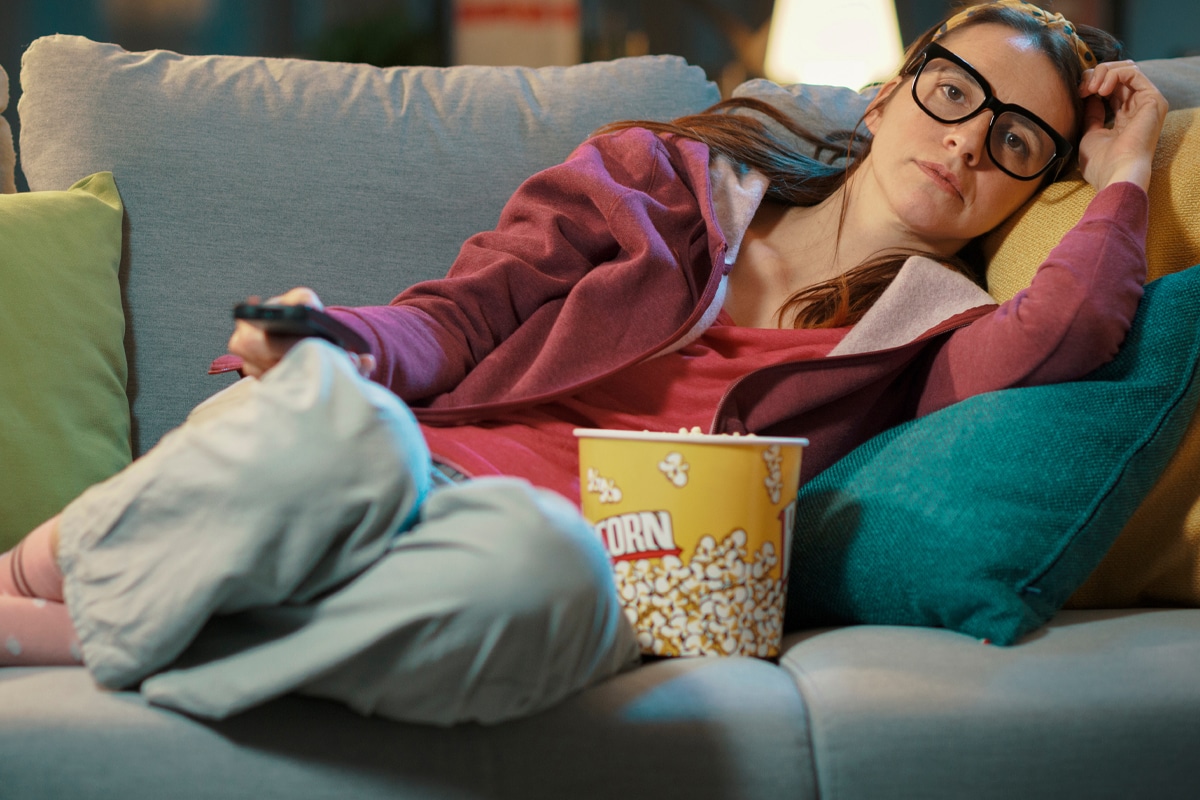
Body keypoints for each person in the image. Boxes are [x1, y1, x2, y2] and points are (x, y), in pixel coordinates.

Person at [0, 1, 1168, 725]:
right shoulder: (654, 178)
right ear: (890, 88)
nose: (967, 140)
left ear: (1033, 183)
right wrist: (338, 340)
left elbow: (1068, 336)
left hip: (567, 556)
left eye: (1017, 140)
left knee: (544, 574)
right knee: (330, 420)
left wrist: (1126, 169)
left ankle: (72, 612)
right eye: (955, 93)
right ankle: (79, 564)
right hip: (386, 464)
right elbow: (461, 315)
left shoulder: (930, 335)